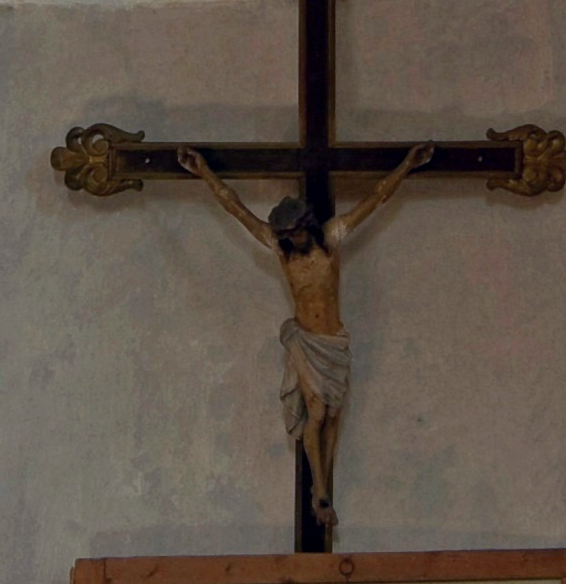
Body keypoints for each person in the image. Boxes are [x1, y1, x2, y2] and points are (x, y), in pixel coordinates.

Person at [178, 143, 431, 551]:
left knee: (333, 414)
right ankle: (320, 490)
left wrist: (407, 165)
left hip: (333, 342)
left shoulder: (330, 239)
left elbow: (376, 197)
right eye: (284, 234)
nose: (289, 239)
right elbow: (236, 209)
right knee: (317, 412)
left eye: (294, 232)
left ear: (307, 225)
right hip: (307, 341)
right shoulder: (281, 252)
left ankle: (324, 485)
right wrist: (204, 172)